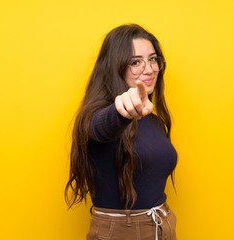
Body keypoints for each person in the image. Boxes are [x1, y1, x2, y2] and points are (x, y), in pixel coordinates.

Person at [65, 24, 178, 240]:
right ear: (115, 67)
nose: (149, 68)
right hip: (121, 233)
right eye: (135, 62)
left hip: (162, 226)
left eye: (153, 59)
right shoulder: (96, 116)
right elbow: (103, 127)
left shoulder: (154, 121)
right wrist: (122, 112)